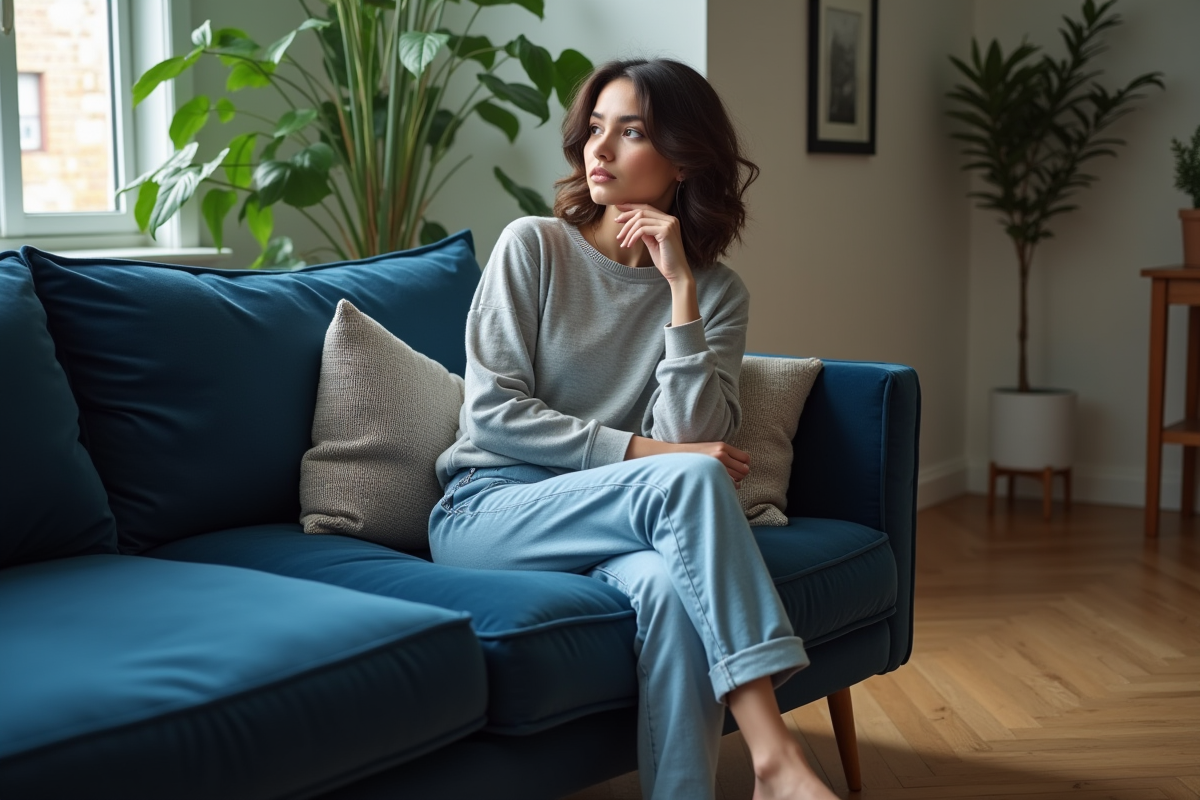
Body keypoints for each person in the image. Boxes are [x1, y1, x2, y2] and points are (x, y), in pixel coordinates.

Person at [429, 58, 837, 800]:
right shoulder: (534, 246)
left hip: (617, 521)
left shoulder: (715, 291)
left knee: (672, 588)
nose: (600, 149)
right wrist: (656, 455)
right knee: (689, 475)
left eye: (631, 132)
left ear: (682, 159)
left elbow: (693, 426)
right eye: (594, 129)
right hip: (490, 509)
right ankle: (776, 758)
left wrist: (680, 287)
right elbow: (492, 412)